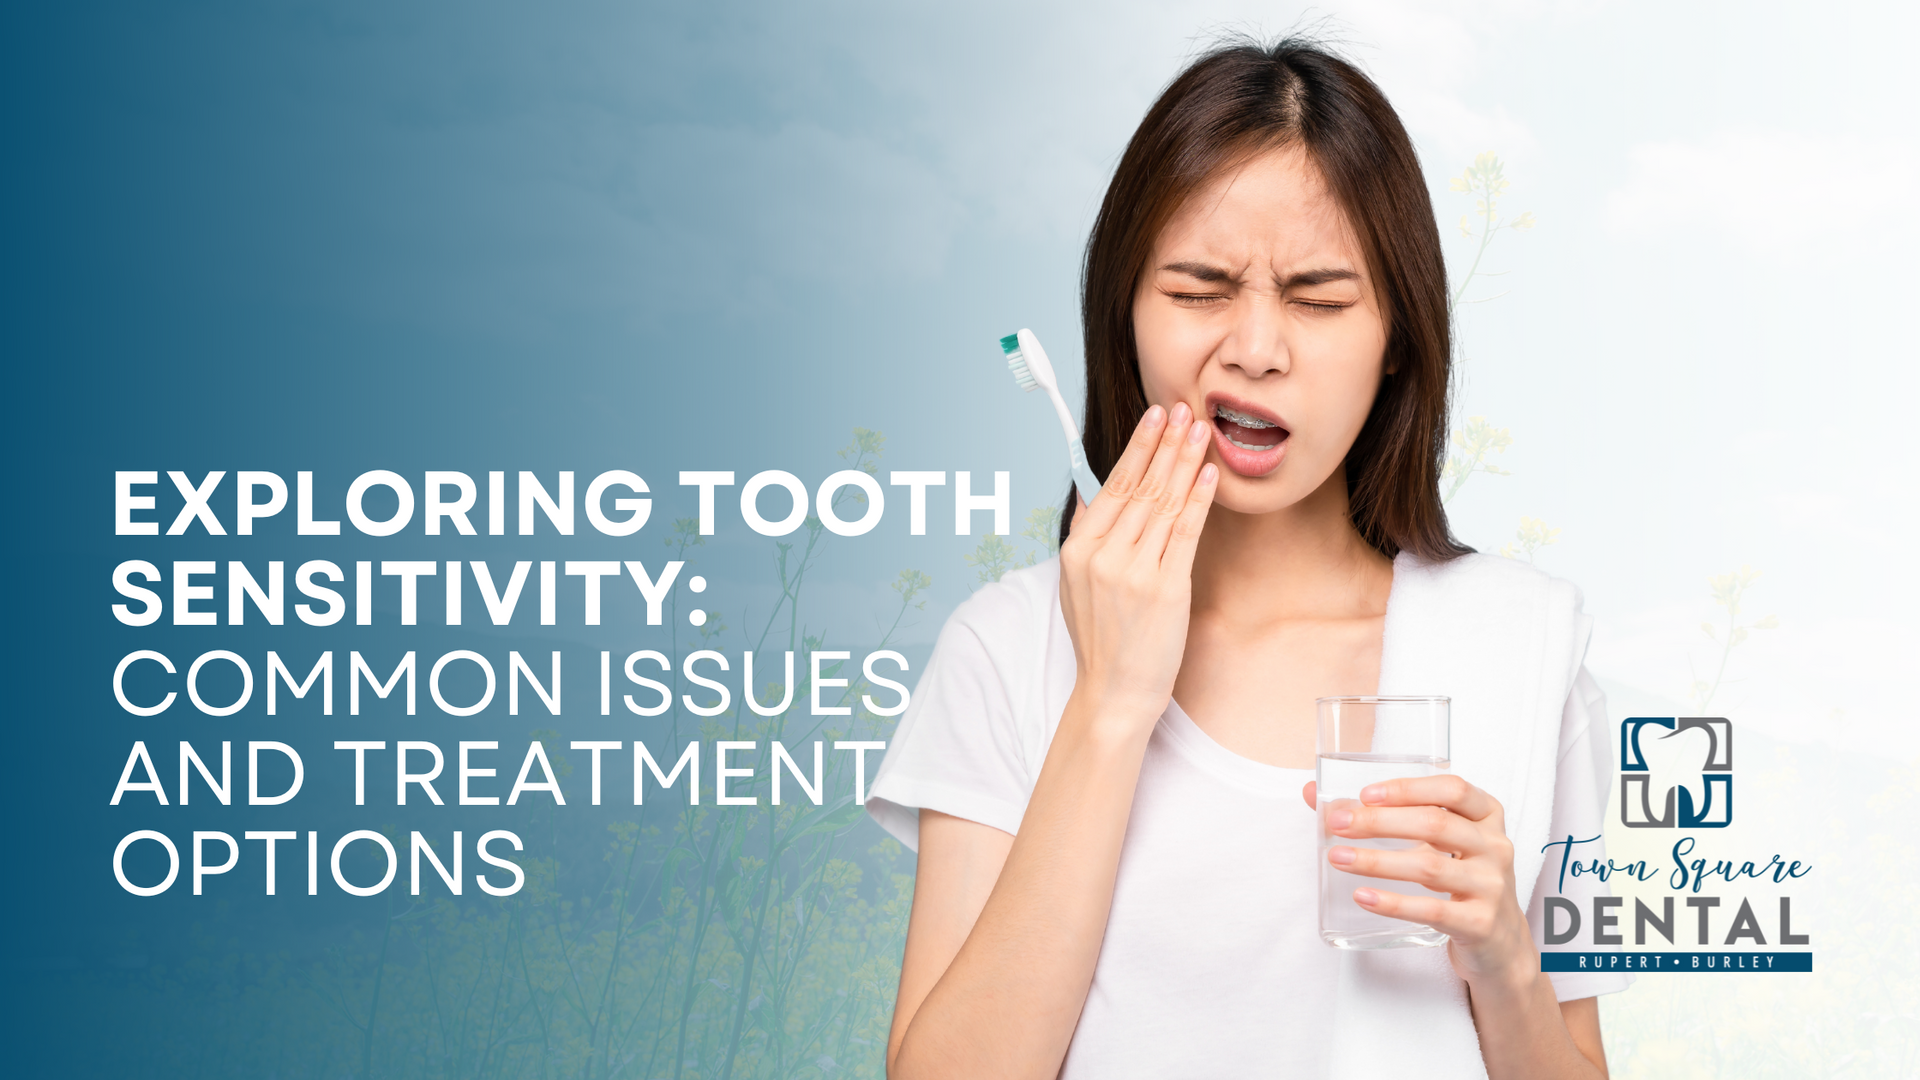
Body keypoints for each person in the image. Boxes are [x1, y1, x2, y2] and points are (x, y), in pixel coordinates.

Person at [866, 36, 1630, 1079]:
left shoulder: (1525, 643)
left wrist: (1502, 959)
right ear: (1124, 314)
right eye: (1197, 289)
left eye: (1318, 299)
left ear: (1398, 333)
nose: (1257, 347)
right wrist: (1111, 705)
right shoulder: (1007, 649)